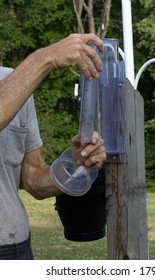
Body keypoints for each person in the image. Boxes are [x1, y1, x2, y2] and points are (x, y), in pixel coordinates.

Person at [0, 33, 106, 260]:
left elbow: (34, 180)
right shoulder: (23, 79)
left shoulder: (14, 82)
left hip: (16, 248)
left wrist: (76, 164)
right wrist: (46, 58)